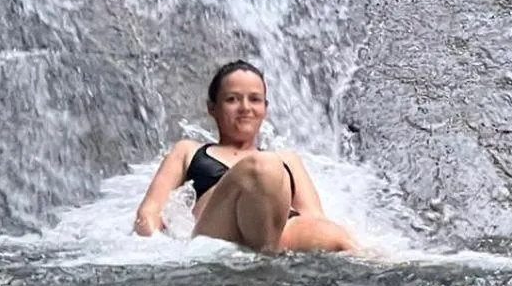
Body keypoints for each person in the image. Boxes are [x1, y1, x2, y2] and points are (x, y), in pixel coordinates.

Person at [133, 61, 358, 254]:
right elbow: (149, 212)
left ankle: (267, 257)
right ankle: (267, 260)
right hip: (218, 230)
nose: (245, 108)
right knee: (261, 166)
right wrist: (160, 249)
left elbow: (314, 216)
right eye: (232, 99)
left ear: (265, 108)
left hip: (279, 231)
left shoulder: (288, 159)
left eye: (255, 99)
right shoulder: (188, 151)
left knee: (342, 240)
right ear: (212, 108)